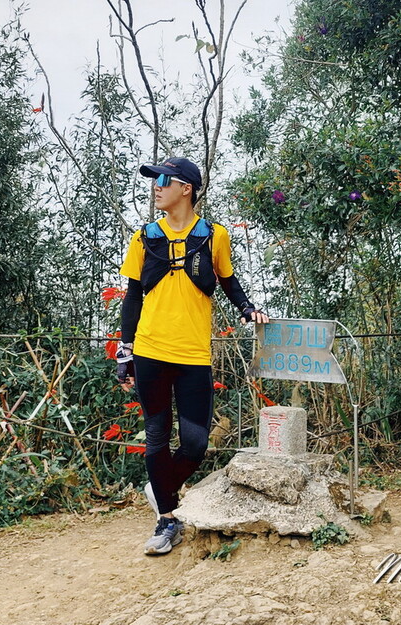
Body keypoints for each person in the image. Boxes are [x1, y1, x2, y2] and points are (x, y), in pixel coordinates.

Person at [116, 157, 268, 556]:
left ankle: (160, 488)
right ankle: (168, 520)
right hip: (150, 349)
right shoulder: (143, 237)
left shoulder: (214, 235)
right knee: (156, 437)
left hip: (193, 353)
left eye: (163, 180)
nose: (156, 187)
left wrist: (248, 307)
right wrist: (124, 350)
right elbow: (132, 296)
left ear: (187, 188)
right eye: (154, 180)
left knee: (197, 442)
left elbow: (228, 279)